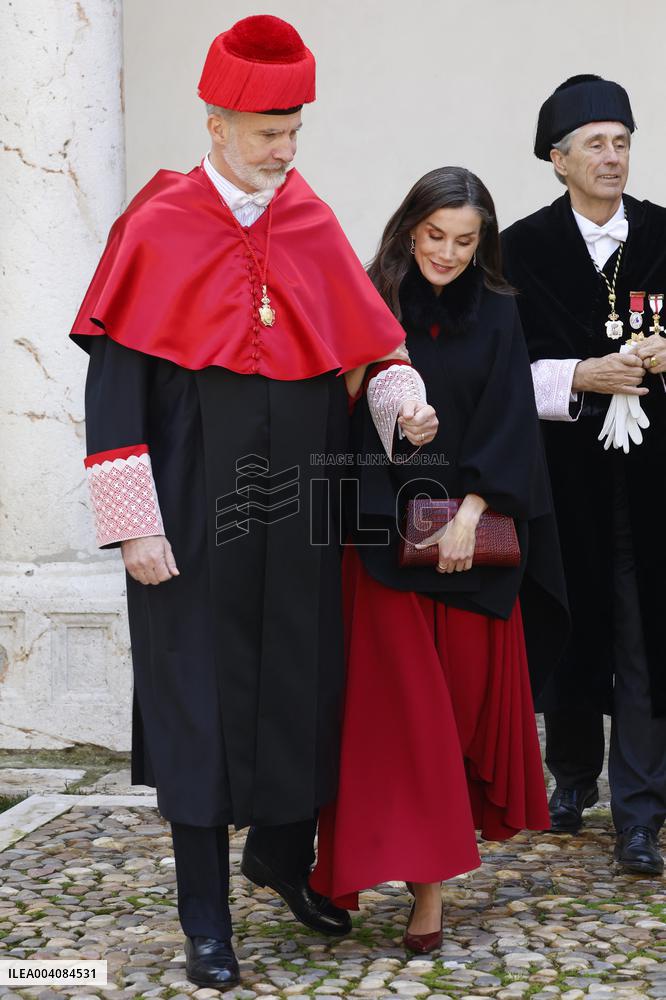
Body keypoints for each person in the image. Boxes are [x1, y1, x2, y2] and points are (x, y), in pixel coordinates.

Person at [70, 15, 438, 990]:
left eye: (295, 131)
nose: (285, 151)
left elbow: (372, 349)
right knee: (199, 706)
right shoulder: (155, 226)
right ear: (216, 119)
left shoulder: (310, 219)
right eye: (269, 132)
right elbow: (113, 397)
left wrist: (408, 402)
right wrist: (132, 521)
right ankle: (205, 922)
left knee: (300, 690)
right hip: (187, 519)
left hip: (302, 509)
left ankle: (279, 855)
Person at [309, 166, 568, 951]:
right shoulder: (368, 296)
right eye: (435, 236)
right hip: (382, 539)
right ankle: (418, 891)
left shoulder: (497, 310)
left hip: (472, 548)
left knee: (448, 720)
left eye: (466, 240)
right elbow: (329, 408)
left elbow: (510, 419)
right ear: (409, 227)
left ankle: (430, 878)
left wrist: (473, 514)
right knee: (398, 722)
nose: (449, 253)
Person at [501, 74, 666, 875]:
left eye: (623, 141)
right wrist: (579, 377)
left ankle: (640, 814)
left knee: (643, 640)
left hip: (652, 486)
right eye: (596, 144)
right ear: (559, 160)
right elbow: (500, 372)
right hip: (562, 481)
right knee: (571, 628)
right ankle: (570, 777)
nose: (613, 156)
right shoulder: (519, 250)